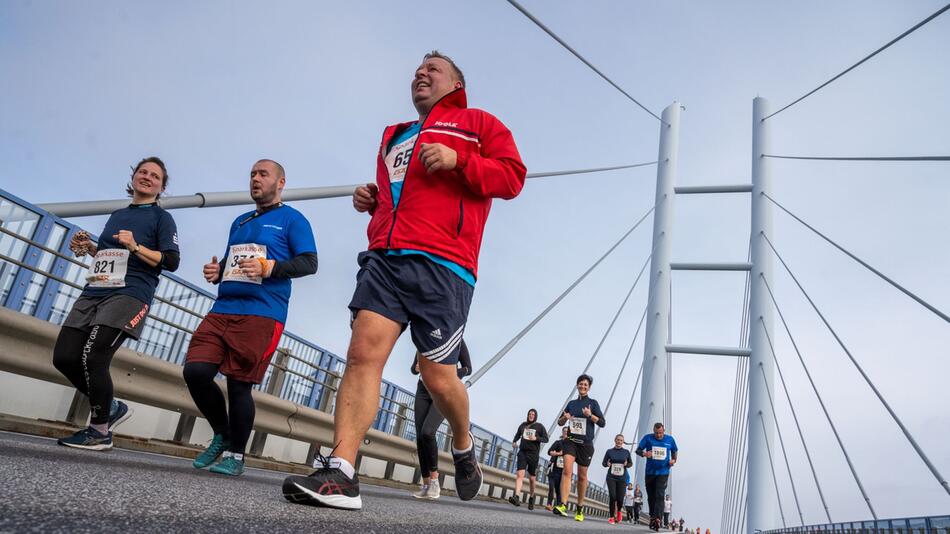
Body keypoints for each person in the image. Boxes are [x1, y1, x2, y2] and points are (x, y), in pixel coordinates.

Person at [282, 50, 526, 510]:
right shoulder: (395, 136)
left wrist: (460, 160)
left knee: (437, 376)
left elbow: (513, 178)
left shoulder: (479, 123)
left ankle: (462, 438)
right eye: (417, 70)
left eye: (432, 69)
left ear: (455, 84)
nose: (420, 73)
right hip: (386, 258)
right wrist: (371, 201)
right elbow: (401, 195)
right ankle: (342, 471)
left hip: (444, 263)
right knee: (361, 355)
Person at [183, 159, 318, 476]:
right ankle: (223, 433)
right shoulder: (240, 221)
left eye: (263, 174)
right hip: (222, 310)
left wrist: (271, 267)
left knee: (239, 386)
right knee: (196, 371)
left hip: (262, 313)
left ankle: (236, 455)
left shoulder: (292, 219)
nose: (255, 179)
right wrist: (217, 274)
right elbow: (233, 263)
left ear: (280, 182)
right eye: (252, 174)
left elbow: (310, 263)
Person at [53, 156, 179, 450]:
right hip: (95, 291)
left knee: (94, 356)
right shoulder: (117, 214)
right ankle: (110, 408)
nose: (147, 177)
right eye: (142, 172)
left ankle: (99, 431)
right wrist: (90, 249)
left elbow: (171, 261)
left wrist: (136, 245)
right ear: (133, 177)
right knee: (64, 356)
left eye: (155, 176)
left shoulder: (162, 218)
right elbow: (114, 257)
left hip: (131, 293)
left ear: (161, 187)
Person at [409, 341, 472, 499]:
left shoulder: (457, 341)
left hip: (444, 391)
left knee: (428, 433)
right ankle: (425, 484)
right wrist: (416, 368)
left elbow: (468, 368)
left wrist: (449, 375)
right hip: (423, 390)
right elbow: (413, 368)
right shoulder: (423, 337)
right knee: (419, 437)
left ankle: (435, 481)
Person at [552, 374, 606, 522]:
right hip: (570, 441)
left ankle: (580, 507)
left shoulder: (593, 404)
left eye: (585, 385)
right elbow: (560, 423)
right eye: (580, 384)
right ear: (577, 385)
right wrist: (565, 418)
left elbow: (602, 423)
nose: (583, 386)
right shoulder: (572, 403)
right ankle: (562, 504)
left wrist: (590, 416)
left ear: (589, 387)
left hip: (586, 444)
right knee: (567, 471)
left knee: (582, 476)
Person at [636, 422, 679, 531]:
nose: (658, 435)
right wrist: (645, 454)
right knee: (651, 496)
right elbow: (638, 450)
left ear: (663, 431)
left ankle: (658, 519)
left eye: (660, 433)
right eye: (656, 433)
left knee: (660, 495)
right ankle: (652, 517)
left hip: (663, 472)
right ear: (653, 431)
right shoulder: (648, 438)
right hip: (650, 473)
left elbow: (674, 451)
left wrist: (673, 460)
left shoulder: (670, 440)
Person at [508, 408, 549, 510]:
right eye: (530, 414)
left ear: (535, 416)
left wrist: (537, 438)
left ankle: (531, 497)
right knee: (520, 474)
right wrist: (514, 441)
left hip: (533, 454)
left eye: (533, 414)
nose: (531, 415)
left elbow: (546, 439)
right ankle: (516, 496)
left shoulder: (539, 427)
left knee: (531, 478)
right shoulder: (523, 425)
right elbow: (518, 434)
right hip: (522, 452)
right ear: (528, 415)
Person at [603, 433, 633, 524]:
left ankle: (619, 511)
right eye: (618, 440)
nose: (619, 441)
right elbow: (604, 463)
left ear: (623, 442)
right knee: (612, 496)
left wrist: (626, 464)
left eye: (621, 440)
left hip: (622, 478)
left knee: (620, 498)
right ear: (615, 440)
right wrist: (607, 464)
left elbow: (630, 463)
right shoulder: (609, 451)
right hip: (611, 477)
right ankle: (611, 516)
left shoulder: (626, 452)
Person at [544, 426, 569, 511]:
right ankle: (549, 504)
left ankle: (558, 506)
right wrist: (558, 453)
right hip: (553, 469)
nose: (565, 432)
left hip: (563, 472)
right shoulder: (558, 443)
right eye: (564, 431)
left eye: (567, 431)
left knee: (559, 490)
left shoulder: (571, 446)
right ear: (562, 433)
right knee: (551, 487)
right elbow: (549, 452)